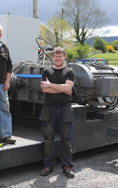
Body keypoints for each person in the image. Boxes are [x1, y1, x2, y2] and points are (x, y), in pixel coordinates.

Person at [39, 47, 75, 178]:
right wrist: (63, 89)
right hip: (49, 109)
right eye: (55, 56)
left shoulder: (69, 71)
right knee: (48, 139)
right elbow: (45, 89)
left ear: (64, 56)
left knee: (66, 139)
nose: (58, 58)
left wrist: (51, 85)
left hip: (65, 108)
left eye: (60, 56)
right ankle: (48, 165)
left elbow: (69, 87)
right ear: (52, 57)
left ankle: (67, 165)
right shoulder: (46, 71)